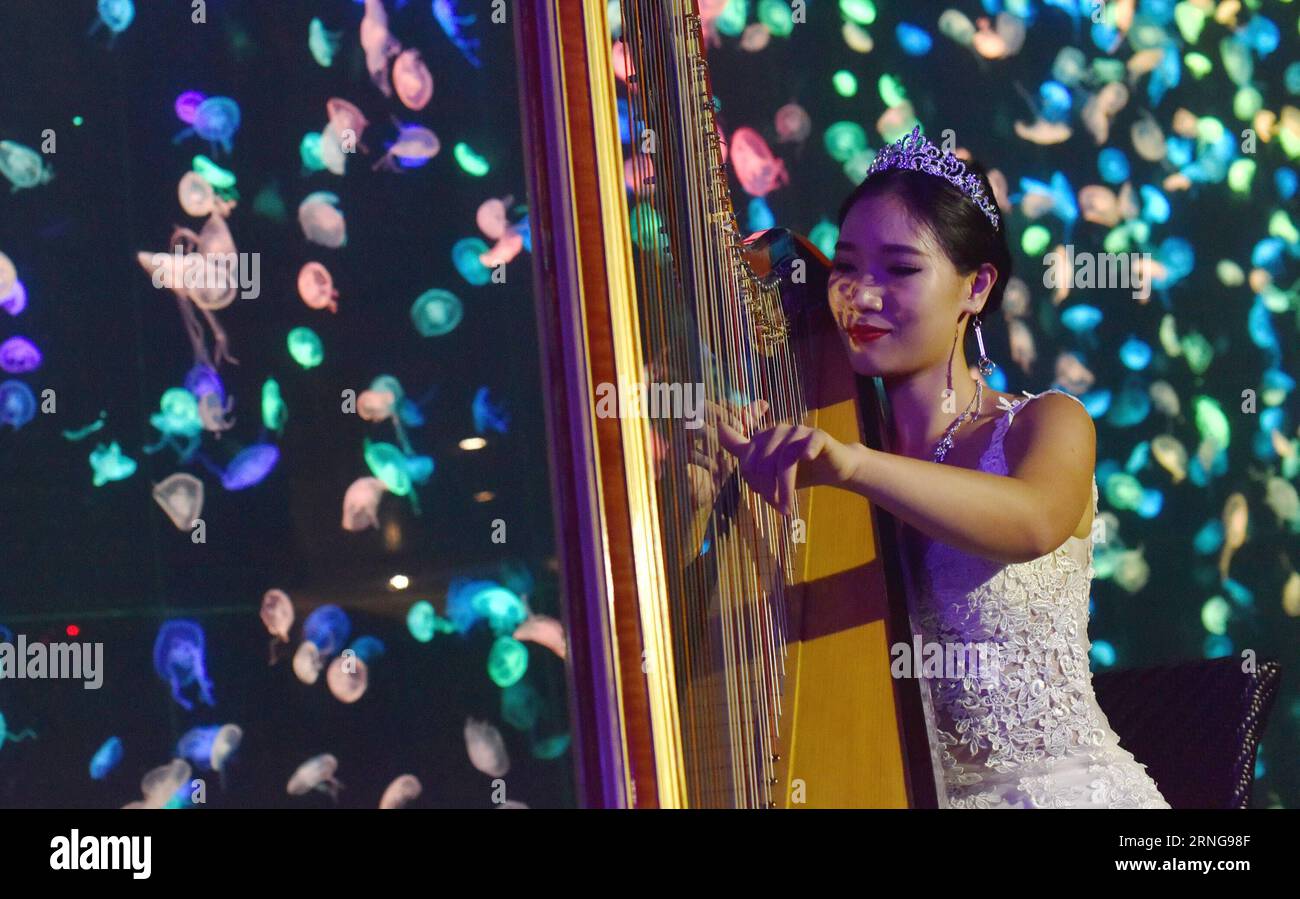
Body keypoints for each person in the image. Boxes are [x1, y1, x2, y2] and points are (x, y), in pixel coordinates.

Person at [711, 126, 1170, 809]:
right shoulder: (830, 458)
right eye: (846, 266)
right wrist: (706, 495)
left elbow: (1034, 522)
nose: (860, 296)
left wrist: (853, 464)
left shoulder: (1046, 423)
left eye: (899, 270)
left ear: (976, 286)